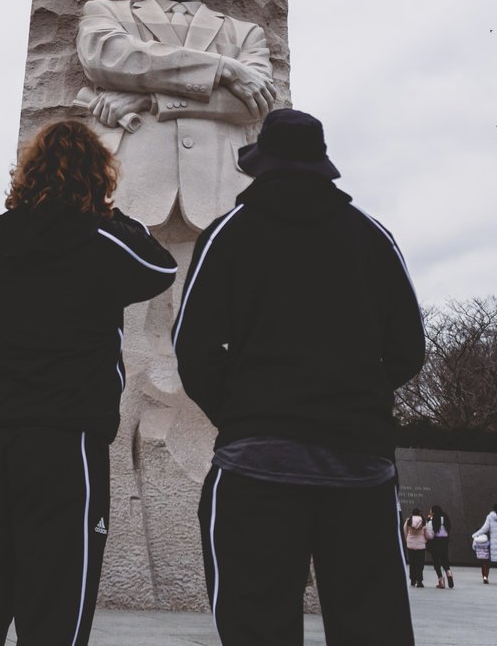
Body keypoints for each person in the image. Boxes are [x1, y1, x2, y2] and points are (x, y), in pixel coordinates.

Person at [173, 108, 426, 646]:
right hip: (360, 466)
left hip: (257, 464)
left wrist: (244, 414)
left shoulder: (228, 235)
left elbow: (191, 348)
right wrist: (355, 405)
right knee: (372, 628)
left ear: (261, 164)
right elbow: (409, 351)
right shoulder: (372, 237)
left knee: (255, 625)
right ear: (321, 164)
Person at [0, 119, 177, 646]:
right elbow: (162, 267)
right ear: (98, 177)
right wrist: (108, 210)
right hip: (65, 442)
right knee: (57, 600)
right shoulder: (108, 240)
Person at [76, 0, 277, 233]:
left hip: (221, 188)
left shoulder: (246, 32)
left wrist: (149, 99)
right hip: (122, 183)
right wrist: (224, 68)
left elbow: (253, 103)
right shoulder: (107, 12)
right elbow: (111, 58)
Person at [427, 504, 454, 588]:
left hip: (435, 543)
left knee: (436, 562)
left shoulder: (432, 520)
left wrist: (428, 521)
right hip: (444, 542)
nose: (430, 512)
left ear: (433, 511)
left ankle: (441, 581)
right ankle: (449, 573)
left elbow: (430, 535)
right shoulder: (445, 517)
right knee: (444, 559)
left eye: (431, 511)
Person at [402, 508, 429, 589]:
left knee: (412, 563)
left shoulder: (408, 521)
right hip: (421, 545)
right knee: (420, 563)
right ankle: (419, 581)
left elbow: (405, 531)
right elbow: (427, 534)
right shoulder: (423, 521)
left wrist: (408, 540)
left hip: (410, 545)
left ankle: (413, 580)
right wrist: (425, 540)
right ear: (420, 513)